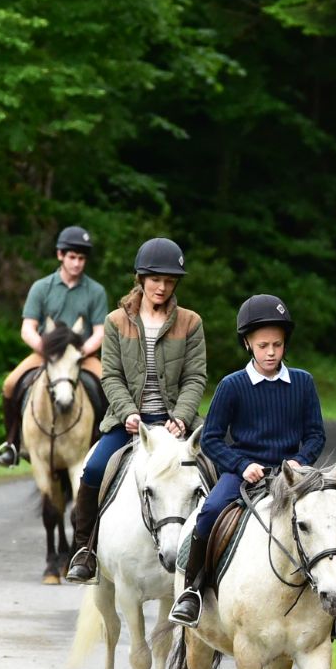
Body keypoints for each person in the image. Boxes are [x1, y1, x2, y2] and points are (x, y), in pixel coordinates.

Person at [170, 294, 336, 637]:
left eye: (277, 344)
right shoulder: (232, 386)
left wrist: (300, 463)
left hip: (294, 476)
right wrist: (242, 464)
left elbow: (315, 435)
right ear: (248, 343)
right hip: (245, 472)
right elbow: (213, 439)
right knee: (209, 512)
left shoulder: (303, 383)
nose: (271, 352)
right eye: (263, 345)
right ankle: (192, 590)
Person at [66, 238, 208, 583]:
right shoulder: (116, 321)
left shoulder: (190, 322)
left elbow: (195, 376)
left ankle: (210, 559)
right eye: (155, 279)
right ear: (141, 279)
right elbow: (110, 374)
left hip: (175, 423)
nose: (162, 286)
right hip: (127, 423)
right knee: (95, 470)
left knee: (213, 470)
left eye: (169, 280)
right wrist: (128, 411)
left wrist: (182, 417)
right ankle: (85, 550)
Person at [0, 224, 111, 468]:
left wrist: (78, 353)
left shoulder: (96, 291)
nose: (77, 263)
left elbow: (100, 332)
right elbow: (28, 328)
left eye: (81, 258)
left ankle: (105, 441)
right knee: (10, 384)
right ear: (60, 255)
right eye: (72, 257)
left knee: (109, 387)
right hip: (45, 355)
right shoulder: (41, 287)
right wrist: (45, 349)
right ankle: (12, 443)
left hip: (81, 356)